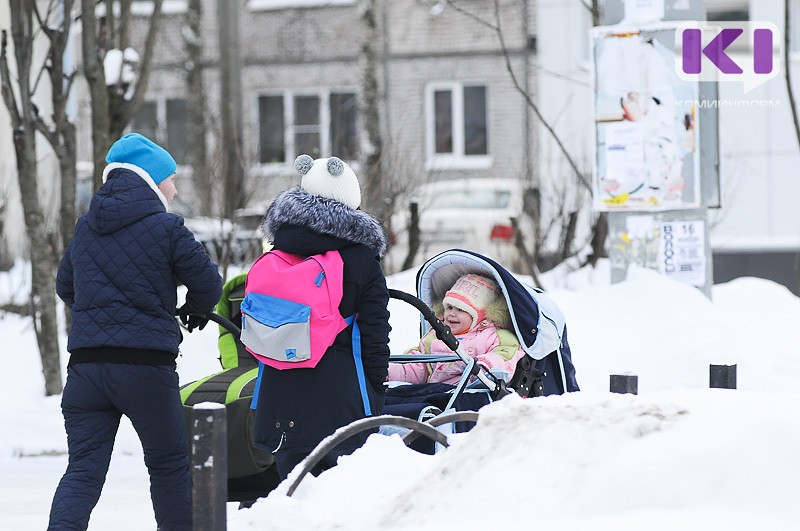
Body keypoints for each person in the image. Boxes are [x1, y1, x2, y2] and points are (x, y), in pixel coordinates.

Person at [49, 133, 222, 531]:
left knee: (82, 472)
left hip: (87, 371)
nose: (175, 189)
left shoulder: (86, 229)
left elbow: (64, 286)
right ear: (149, 179)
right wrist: (195, 310)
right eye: (170, 178)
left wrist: (98, 318)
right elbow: (208, 283)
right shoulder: (167, 228)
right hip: (146, 368)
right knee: (169, 465)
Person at [252, 154, 390, 481]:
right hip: (342, 401)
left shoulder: (277, 253)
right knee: (341, 499)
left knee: (294, 499)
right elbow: (374, 333)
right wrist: (377, 389)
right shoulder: (361, 259)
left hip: (278, 400)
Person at [387, 273, 525, 385]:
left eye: (460, 309)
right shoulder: (435, 337)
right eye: (449, 307)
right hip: (434, 393)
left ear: (479, 316)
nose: (452, 313)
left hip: (468, 392)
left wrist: (484, 365)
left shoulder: (495, 336)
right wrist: (388, 371)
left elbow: (504, 357)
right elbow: (418, 368)